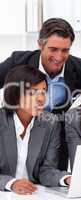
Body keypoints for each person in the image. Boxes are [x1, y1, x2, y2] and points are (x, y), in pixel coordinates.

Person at [0, 18, 81, 170]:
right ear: (40, 45)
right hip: (18, 138)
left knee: (51, 187)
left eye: (65, 50)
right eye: (53, 49)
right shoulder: (19, 61)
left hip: (56, 143)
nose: (59, 57)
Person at [0, 65, 71, 194]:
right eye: (32, 92)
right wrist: (11, 183)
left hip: (34, 194)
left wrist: (66, 179)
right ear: (15, 94)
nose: (40, 99)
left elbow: (47, 170)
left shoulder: (51, 123)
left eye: (43, 91)